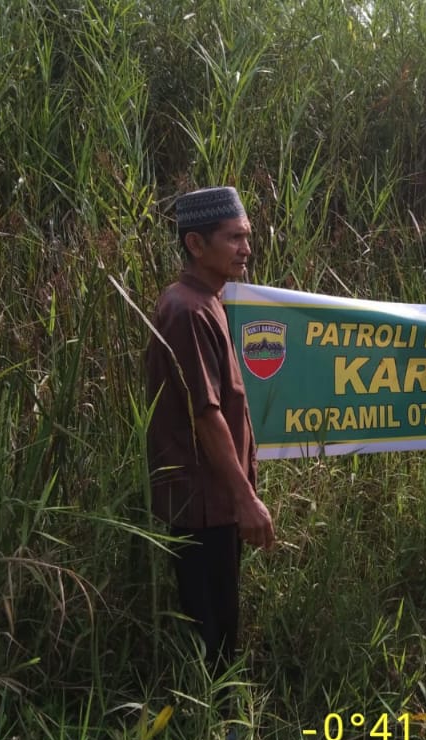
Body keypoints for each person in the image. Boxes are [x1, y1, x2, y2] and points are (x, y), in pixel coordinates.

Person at [145, 186, 275, 680]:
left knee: (220, 620)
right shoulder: (188, 311)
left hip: (214, 500)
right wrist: (245, 498)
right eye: (234, 238)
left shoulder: (206, 301)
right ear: (195, 244)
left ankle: (215, 709)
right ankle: (212, 716)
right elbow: (205, 414)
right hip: (203, 503)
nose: (246, 248)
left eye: (247, 237)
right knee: (212, 631)